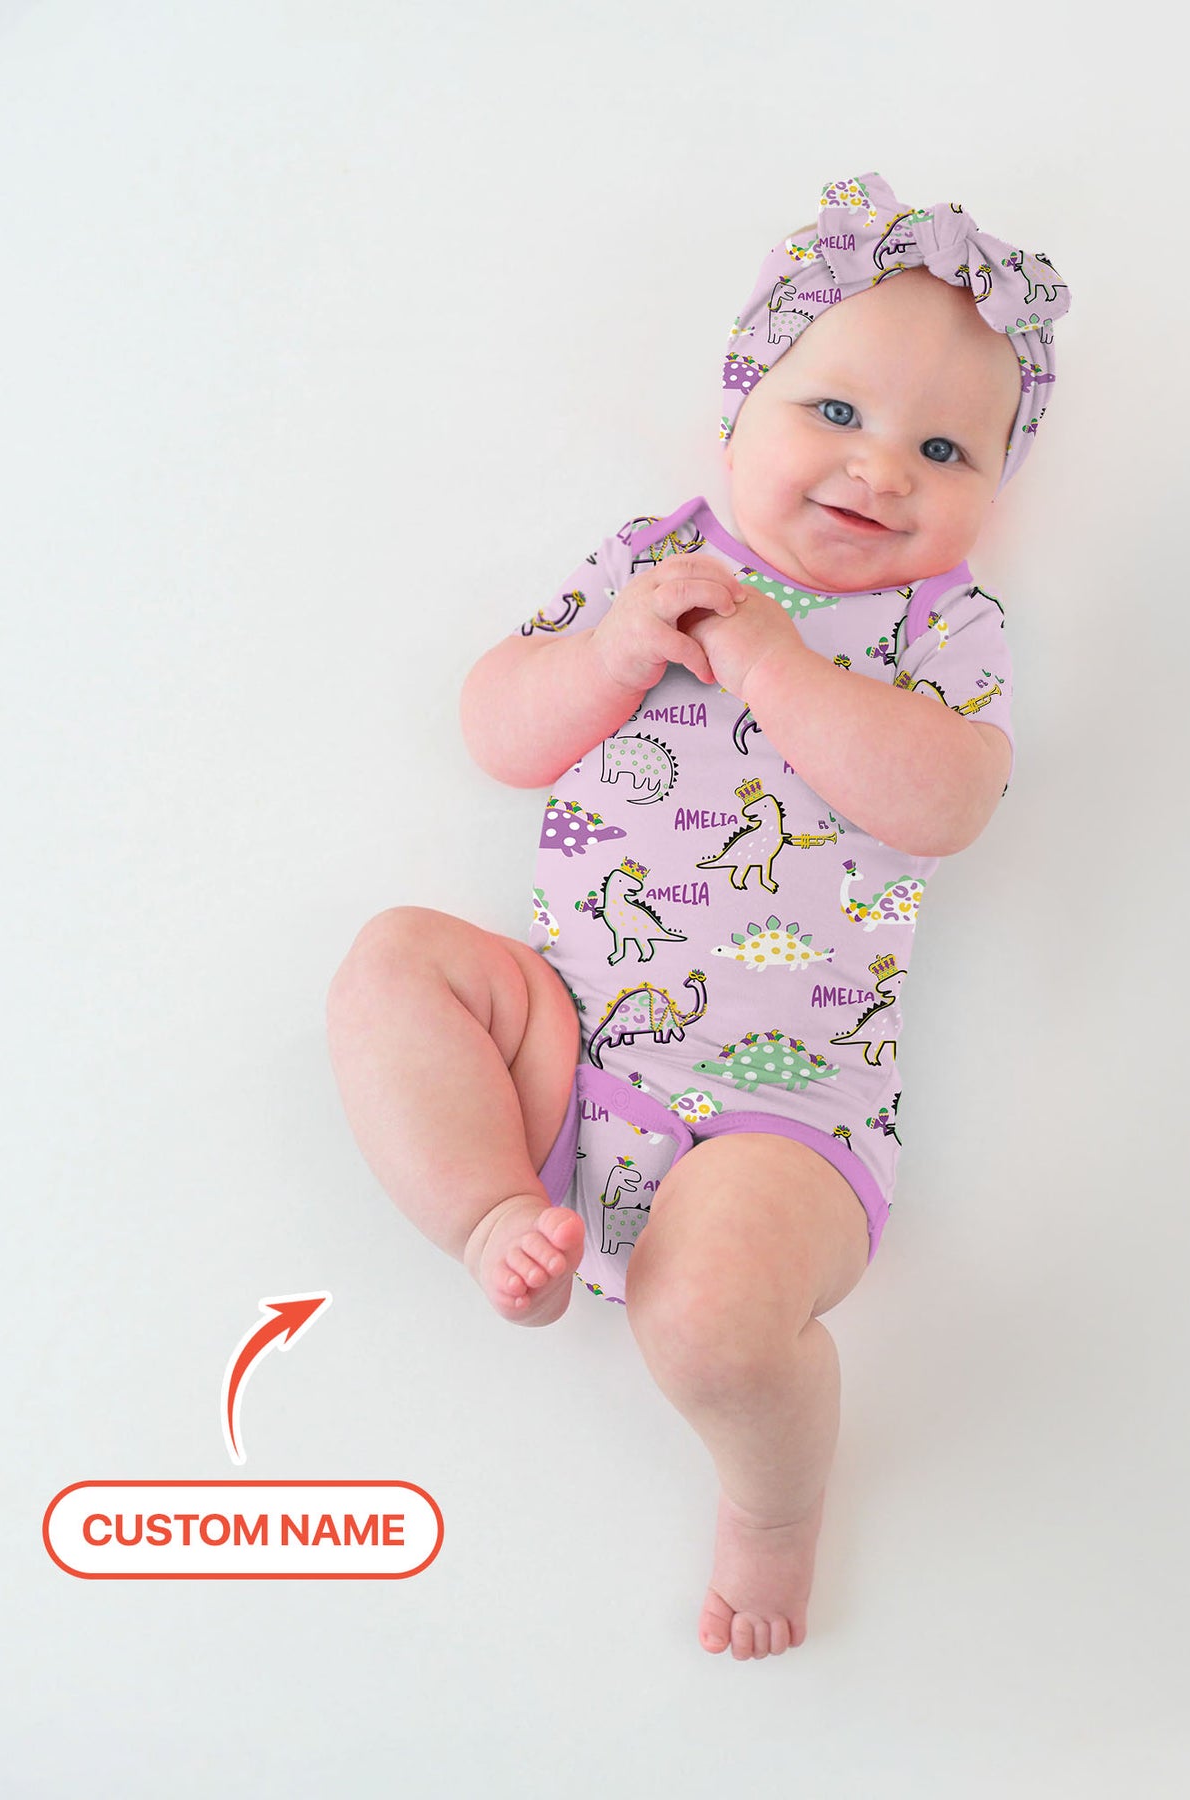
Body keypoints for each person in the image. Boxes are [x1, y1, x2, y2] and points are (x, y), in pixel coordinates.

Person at [325, 170, 1071, 1661]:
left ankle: (773, 1507)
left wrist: (780, 668)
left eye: (943, 448)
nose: (880, 468)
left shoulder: (943, 629)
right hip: (569, 1052)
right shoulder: (654, 564)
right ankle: (488, 1213)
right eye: (835, 412)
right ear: (741, 405)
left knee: (713, 1323)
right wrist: (610, 657)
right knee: (396, 963)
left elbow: (949, 802)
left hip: (784, 1122)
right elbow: (499, 731)